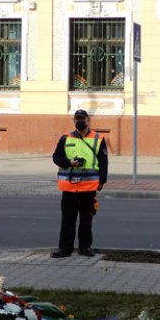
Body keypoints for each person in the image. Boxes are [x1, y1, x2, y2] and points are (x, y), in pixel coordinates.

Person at [51, 109, 108, 258]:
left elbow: (103, 162)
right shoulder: (66, 138)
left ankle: (85, 248)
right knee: (67, 220)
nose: (80, 121)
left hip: (88, 187)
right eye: (77, 119)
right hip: (69, 187)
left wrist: (102, 181)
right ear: (74, 121)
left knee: (86, 220)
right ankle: (64, 249)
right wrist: (69, 162)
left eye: (82, 119)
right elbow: (56, 157)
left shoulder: (98, 138)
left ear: (88, 121)